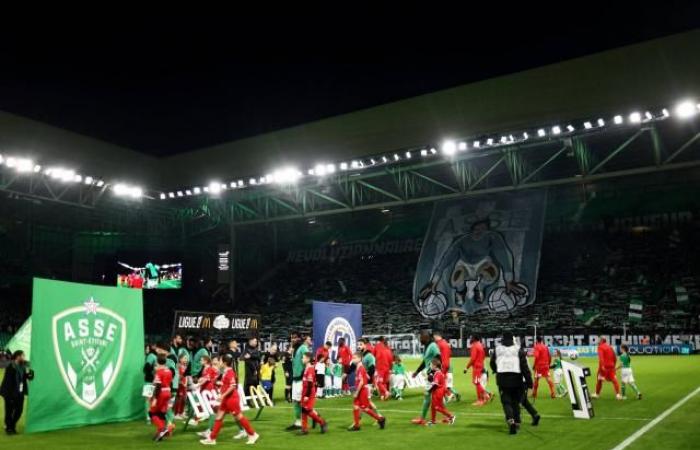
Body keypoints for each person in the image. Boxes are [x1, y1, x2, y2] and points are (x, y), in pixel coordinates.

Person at [200, 354, 259, 446]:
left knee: (239, 417)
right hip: (226, 399)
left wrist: (222, 395)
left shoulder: (230, 372)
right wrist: (221, 385)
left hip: (231, 399)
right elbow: (227, 384)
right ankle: (212, 438)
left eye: (219, 361)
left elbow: (232, 386)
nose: (218, 362)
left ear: (224, 363)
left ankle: (252, 434)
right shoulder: (225, 371)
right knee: (219, 417)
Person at [489, 331, 534, 435]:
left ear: (503, 339)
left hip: (502, 380)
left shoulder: (498, 349)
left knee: (506, 402)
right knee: (515, 402)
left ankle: (511, 420)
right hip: (517, 380)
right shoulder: (518, 350)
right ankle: (517, 421)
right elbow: (525, 368)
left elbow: (492, 363)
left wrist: (497, 370)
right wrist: (530, 384)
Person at [348, 351, 386, 431]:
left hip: (362, 391)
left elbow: (361, 382)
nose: (353, 359)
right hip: (361, 390)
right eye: (353, 358)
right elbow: (367, 377)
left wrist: (357, 392)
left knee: (365, 408)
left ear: (360, 359)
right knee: (355, 407)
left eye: (355, 358)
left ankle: (380, 419)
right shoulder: (359, 368)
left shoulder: (361, 368)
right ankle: (357, 425)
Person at [0, 350, 33, 435]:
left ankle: (11, 425)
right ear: (18, 356)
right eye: (23, 356)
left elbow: (23, 376)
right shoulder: (11, 366)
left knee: (19, 410)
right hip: (10, 393)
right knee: (9, 411)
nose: (24, 357)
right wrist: (10, 395)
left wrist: (29, 375)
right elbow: (8, 382)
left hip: (20, 392)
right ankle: (9, 428)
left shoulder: (22, 366)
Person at [411, 331, 440, 425]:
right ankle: (447, 416)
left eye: (421, 337)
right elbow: (425, 362)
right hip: (430, 375)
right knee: (432, 397)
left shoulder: (432, 346)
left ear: (426, 337)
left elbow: (439, 357)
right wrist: (417, 372)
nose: (420, 339)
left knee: (428, 396)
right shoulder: (427, 347)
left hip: (432, 376)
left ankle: (422, 419)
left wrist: (434, 372)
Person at [300, 352, 328, 435]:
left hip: (308, 393)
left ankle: (322, 422)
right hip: (304, 392)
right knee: (303, 410)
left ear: (308, 359)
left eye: (303, 357)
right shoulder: (306, 368)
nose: (302, 359)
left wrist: (307, 395)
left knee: (308, 410)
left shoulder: (310, 369)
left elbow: (310, 383)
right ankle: (304, 429)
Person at [287, 334, 311, 431]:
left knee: (302, 402)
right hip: (295, 379)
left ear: (300, 338)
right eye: (292, 337)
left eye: (295, 337)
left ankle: (315, 418)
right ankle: (298, 422)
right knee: (296, 401)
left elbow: (310, 359)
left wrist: (304, 374)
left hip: (301, 379)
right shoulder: (294, 349)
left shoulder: (303, 347)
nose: (293, 339)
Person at [150, 354, 174, 441]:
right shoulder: (169, 371)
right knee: (161, 413)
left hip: (161, 393)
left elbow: (158, 385)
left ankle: (163, 428)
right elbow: (170, 382)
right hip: (168, 392)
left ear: (157, 361)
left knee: (152, 413)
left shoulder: (159, 372)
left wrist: (155, 399)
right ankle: (160, 433)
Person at [433, 331, 461, 402]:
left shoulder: (438, 344)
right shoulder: (446, 343)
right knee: (447, 384)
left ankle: (448, 396)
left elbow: (436, 355)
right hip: (448, 365)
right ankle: (454, 393)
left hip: (442, 365)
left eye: (434, 337)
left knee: (441, 383)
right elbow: (450, 353)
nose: (434, 339)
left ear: (437, 336)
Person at [428, 358, 456, 425]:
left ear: (434, 366)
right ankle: (433, 420)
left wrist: (428, 391)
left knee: (437, 407)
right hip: (438, 392)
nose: (430, 366)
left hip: (438, 393)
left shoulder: (438, 373)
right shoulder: (438, 373)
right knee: (433, 407)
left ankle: (451, 416)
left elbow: (435, 385)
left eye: (431, 365)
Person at [465, 335, 490, 405]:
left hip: (477, 367)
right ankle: (485, 396)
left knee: (477, 383)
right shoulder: (480, 345)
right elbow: (484, 356)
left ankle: (481, 399)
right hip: (481, 366)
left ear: (474, 339)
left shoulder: (474, 346)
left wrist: (467, 367)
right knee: (477, 382)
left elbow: (473, 358)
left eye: (471, 338)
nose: (470, 339)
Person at [243, 337, 261, 404]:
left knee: (256, 385)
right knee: (248, 386)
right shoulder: (246, 349)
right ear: (250, 341)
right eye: (255, 341)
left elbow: (258, 356)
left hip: (256, 370)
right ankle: (247, 401)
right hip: (250, 371)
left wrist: (251, 356)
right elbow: (248, 361)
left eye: (256, 341)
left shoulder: (255, 350)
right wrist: (254, 370)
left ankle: (256, 400)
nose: (256, 343)